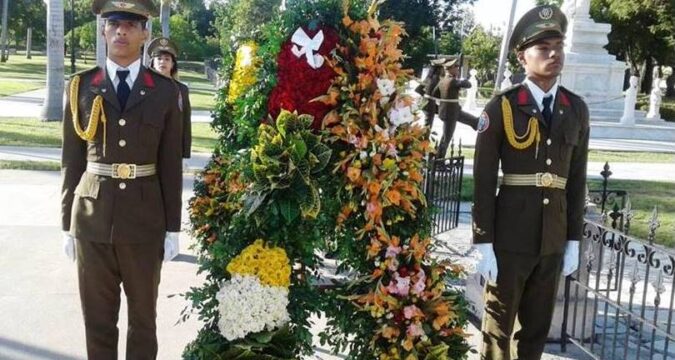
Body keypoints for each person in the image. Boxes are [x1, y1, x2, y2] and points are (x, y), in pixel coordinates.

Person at [60, 0, 183, 358]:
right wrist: (66, 223)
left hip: (145, 222)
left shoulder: (165, 90)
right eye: (114, 23)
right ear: (103, 30)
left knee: (143, 322)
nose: (121, 31)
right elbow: (71, 161)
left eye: (131, 23)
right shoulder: (81, 86)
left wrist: (172, 228)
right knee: (97, 322)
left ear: (145, 34)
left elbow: (171, 164)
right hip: (91, 219)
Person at [471, 5, 589, 359]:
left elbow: (576, 179)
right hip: (509, 239)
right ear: (523, 57)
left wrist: (573, 240)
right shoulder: (501, 108)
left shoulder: (575, 108)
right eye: (543, 48)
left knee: (536, 331)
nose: (554, 54)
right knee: (498, 330)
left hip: (551, 240)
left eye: (558, 46)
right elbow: (483, 179)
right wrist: (483, 242)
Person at [148, 37, 192, 158]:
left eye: (167, 59)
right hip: (146, 146)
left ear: (172, 64)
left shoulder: (181, 90)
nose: (162, 62)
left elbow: (185, 121)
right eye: (159, 59)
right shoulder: (142, 87)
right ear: (152, 62)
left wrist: (185, 150)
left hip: (171, 147)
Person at [431, 58, 479, 158]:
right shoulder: (452, 81)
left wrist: (445, 102)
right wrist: (461, 79)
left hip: (452, 111)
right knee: (446, 137)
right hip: (451, 113)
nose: (457, 68)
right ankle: (438, 159)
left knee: (474, 121)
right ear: (449, 69)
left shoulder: (442, 81)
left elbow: (435, 94)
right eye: (456, 67)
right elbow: (468, 85)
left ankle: (478, 125)